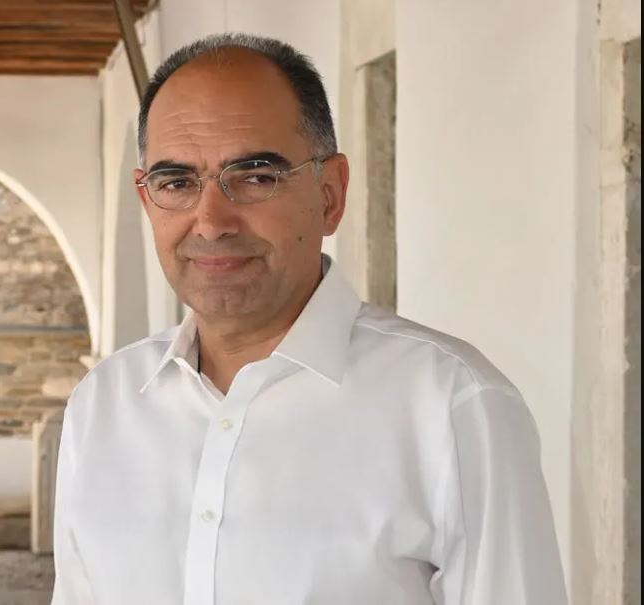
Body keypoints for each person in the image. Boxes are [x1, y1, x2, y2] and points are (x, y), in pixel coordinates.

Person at [50, 33, 567, 605]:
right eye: (176, 182)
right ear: (147, 200)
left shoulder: (452, 406)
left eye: (255, 176)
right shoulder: (103, 405)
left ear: (329, 194)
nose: (211, 222)